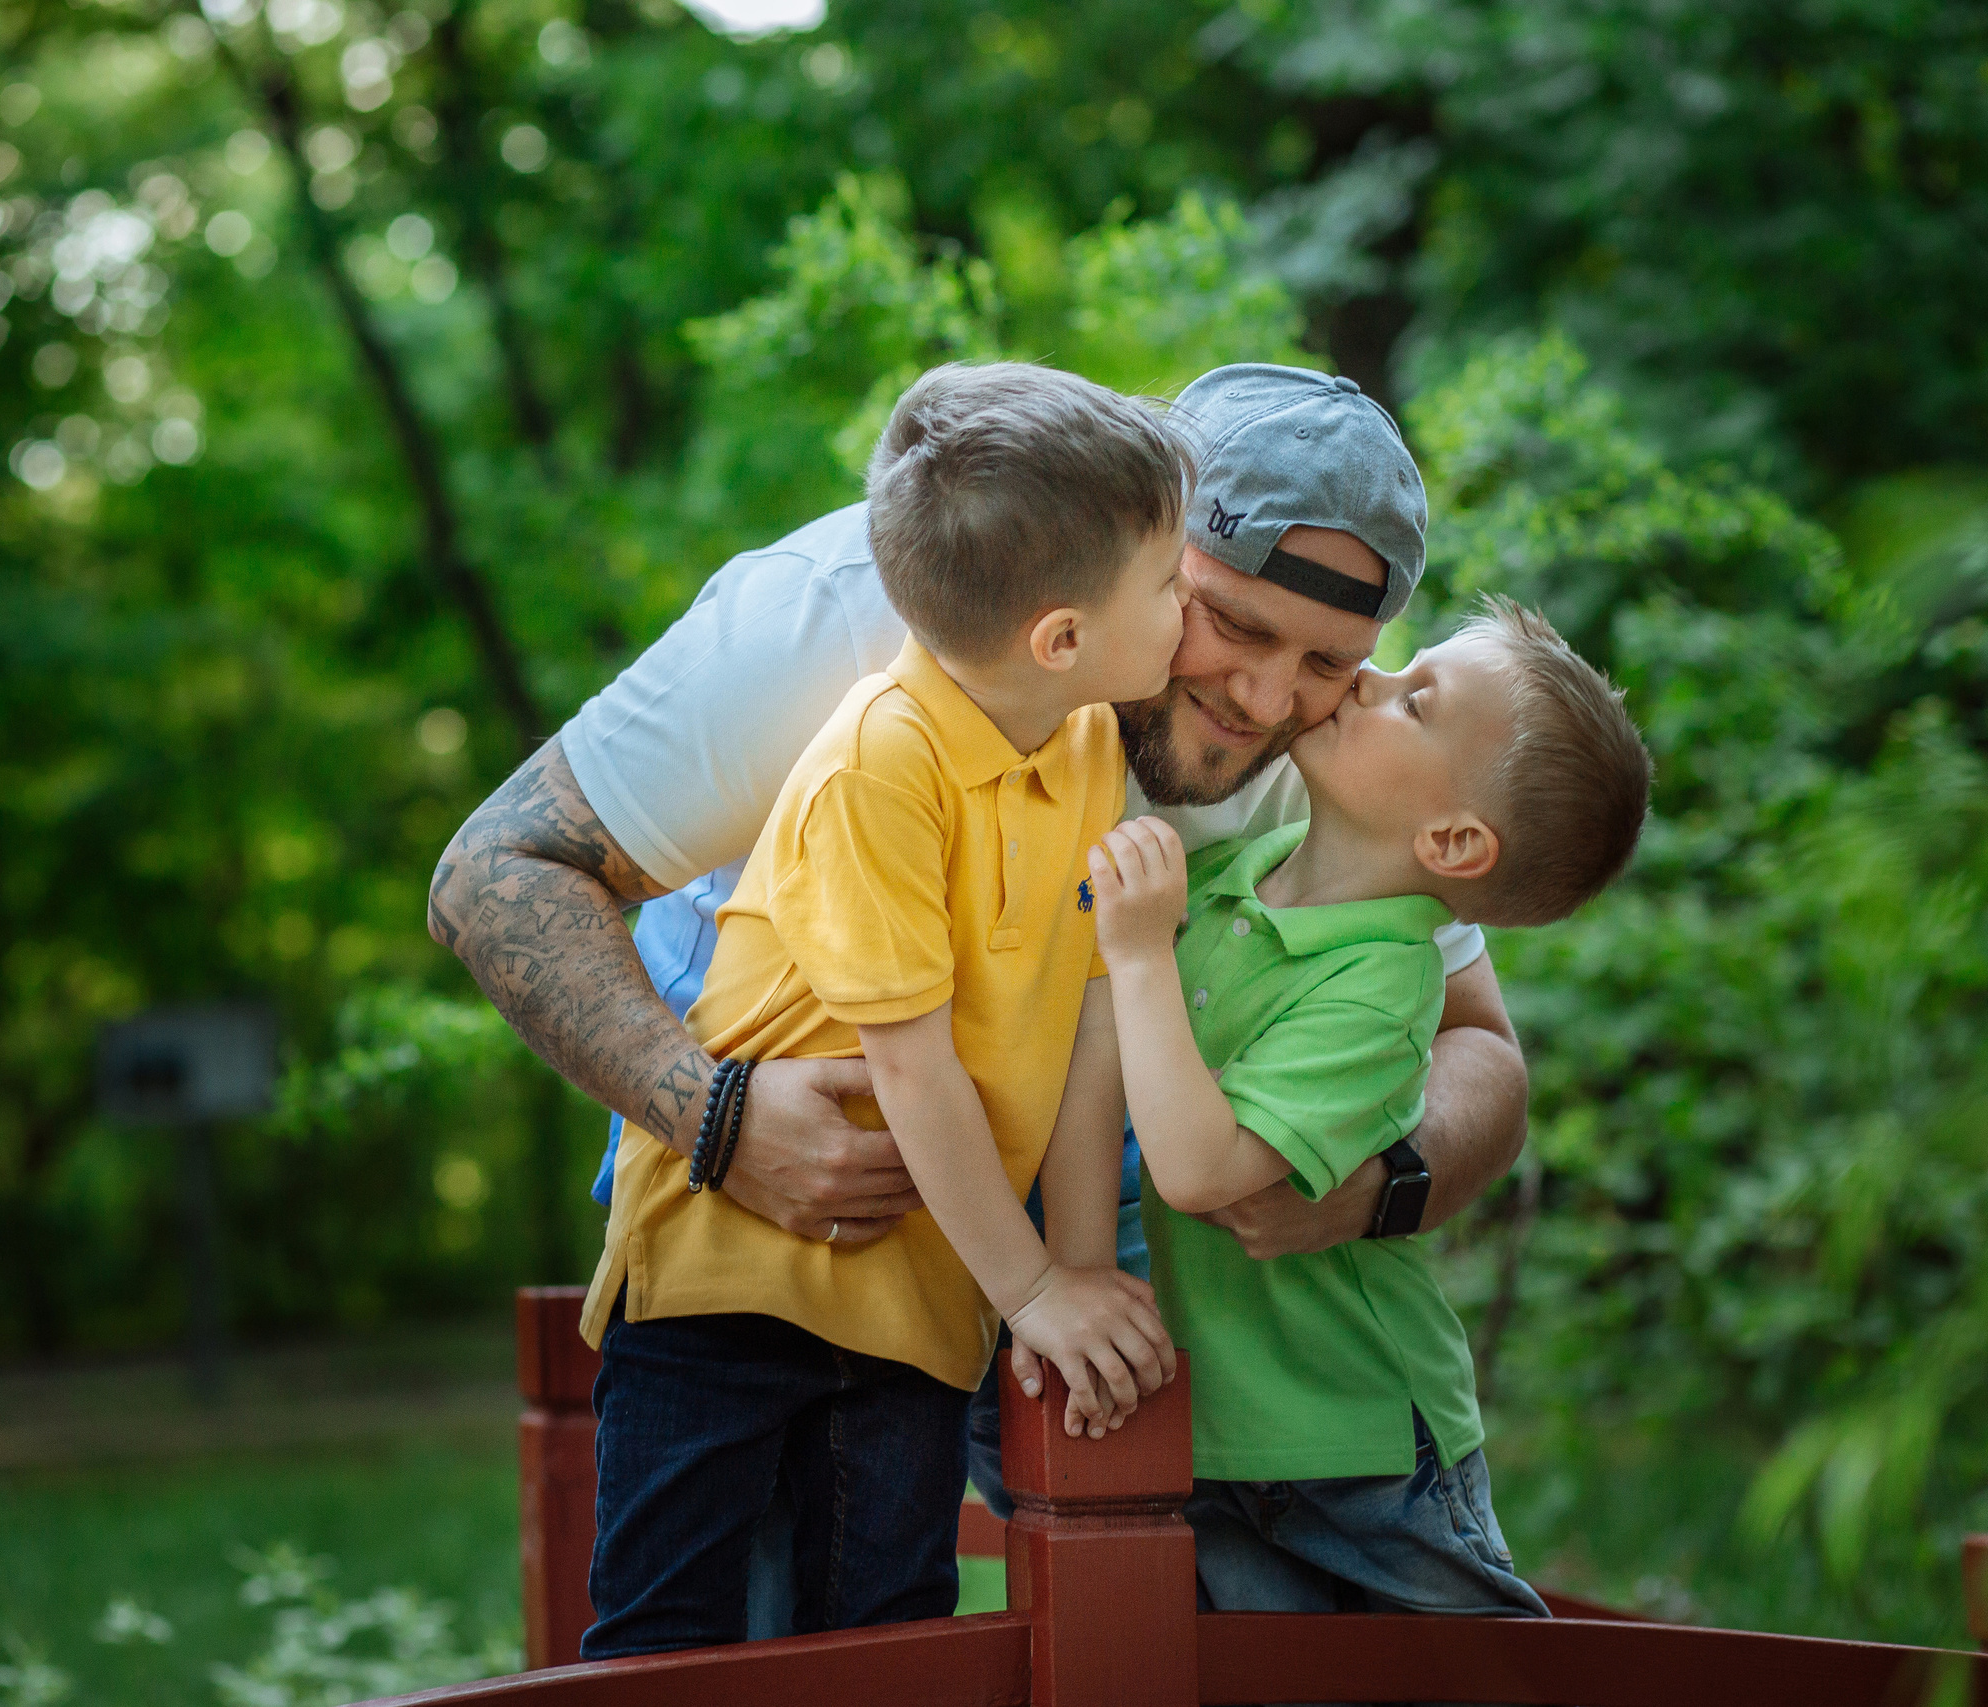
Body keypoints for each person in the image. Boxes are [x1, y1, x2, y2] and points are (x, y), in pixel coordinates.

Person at [427, 362, 1533, 1610]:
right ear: (1133, 560)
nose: (1265, 701)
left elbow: (1480, 1047)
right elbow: (494, 873)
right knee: (741, 1625)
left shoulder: (1342, 756)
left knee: (1067, 1617)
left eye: (1332, 658)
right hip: (782, 1199)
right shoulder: (859, 613)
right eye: (1231, 624)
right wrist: (712, 1113)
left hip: (1114, 1209)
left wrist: (1367, 1190)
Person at [576, 363, 1185, 1657]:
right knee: (668, 1639)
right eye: (1174, 585)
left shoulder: (1084, 746)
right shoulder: (877, 760)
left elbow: (1086, 1025)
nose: (1194, 606)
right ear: (1063, 636)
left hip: (919, 1283)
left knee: (891, 1636)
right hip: (729, 1272)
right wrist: (1032, 1287)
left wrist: (1075, 1270)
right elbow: (911, 1071)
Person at [1084, 594, 1651, 1623]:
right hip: (1217, 1428)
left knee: (1471, 1676)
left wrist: (1132, 955)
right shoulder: (1224, 881)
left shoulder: (1385, 987)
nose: (1366, 680)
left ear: (1452, 840)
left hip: (1360, 1438)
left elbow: (1204, 1169)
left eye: (1414, 701)